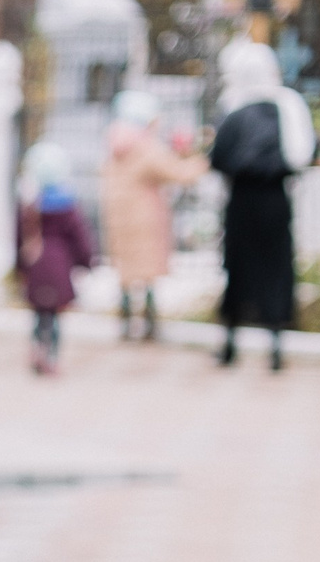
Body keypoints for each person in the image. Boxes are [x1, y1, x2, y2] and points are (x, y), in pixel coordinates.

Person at [211, 39, 318, 371]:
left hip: (241, 200)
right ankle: (275, 344)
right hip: (275, 199)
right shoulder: (288, 106)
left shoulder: (232, 107)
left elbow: (218, 158)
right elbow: (302, 154)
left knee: (238, 268)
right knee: (276, 268)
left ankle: (230, 343)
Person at [102, 90, 206, 342]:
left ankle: (126, 322)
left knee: (127, 273)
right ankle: (149, 324)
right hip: (145, 219)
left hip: (119, 218)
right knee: (147, 273)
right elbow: (179, 173)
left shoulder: (116, 145)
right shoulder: (146, 147)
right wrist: (198, 158)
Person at [17, 142, 95, 375]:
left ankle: (36, 346)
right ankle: (51, 355)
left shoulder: (28, 204)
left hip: (34, 266)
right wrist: (86, 261)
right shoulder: (67, 205)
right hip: (59, 268)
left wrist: (20, 267)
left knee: (39, 313)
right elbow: (80, 237)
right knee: (55, 316)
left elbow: (17, 239)